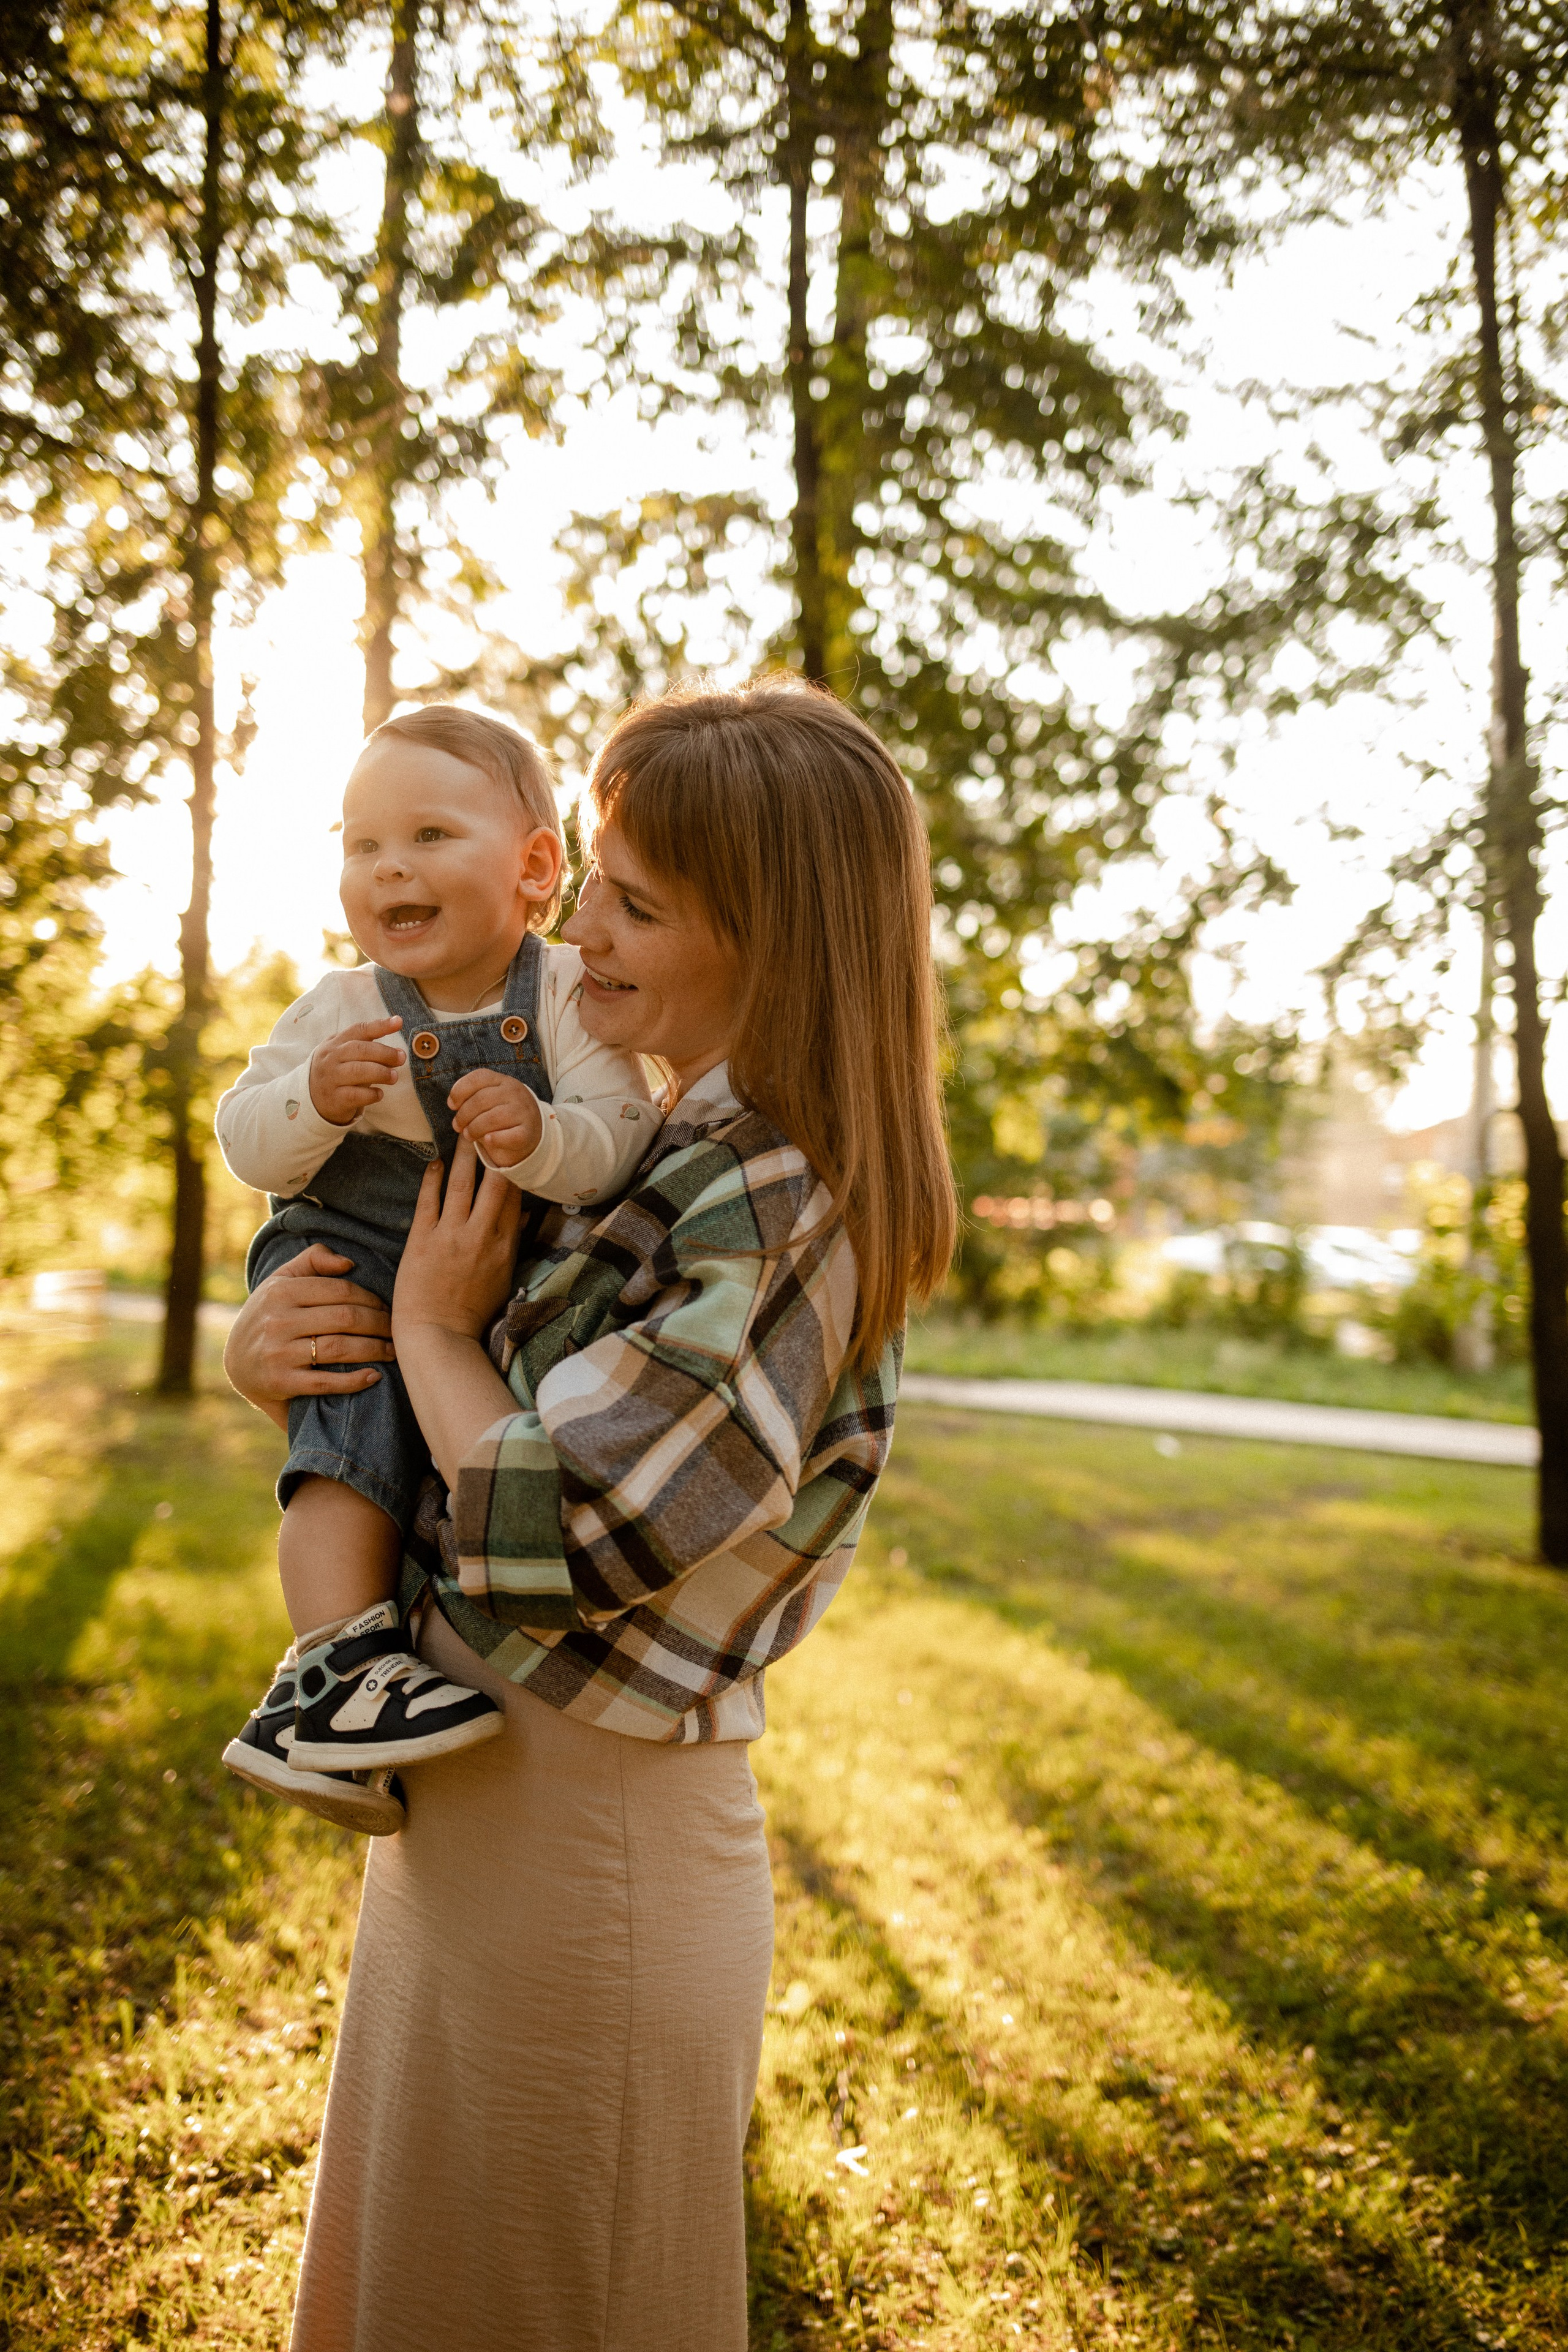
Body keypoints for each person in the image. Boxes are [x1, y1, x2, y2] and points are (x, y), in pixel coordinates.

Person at [223, 679, 959, 2352]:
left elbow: (572, 1533)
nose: (580, 932)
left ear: (764, 932)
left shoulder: (775, 1189)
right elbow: (462, 1402)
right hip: (479, 1788)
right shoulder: (642, 1144)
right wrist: (292, 1363)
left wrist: (417, 1332)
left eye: (629, 901)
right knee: (424, 2289)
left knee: (551, 2301)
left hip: (592, 1829)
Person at [216, 704, 657, 1834]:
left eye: (427, 837)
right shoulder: (340, 1007)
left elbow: (620, 1133)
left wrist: (540, 1138)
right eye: (360, 845)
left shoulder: (564, 995)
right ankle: (334, 1660)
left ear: (536, 867)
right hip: (351, 1252)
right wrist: (312, 1101)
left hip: (488, 1265)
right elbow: (245, 1141)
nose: (386, 869)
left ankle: (324, 1724)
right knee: (348, 1440)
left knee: (440, 1454)